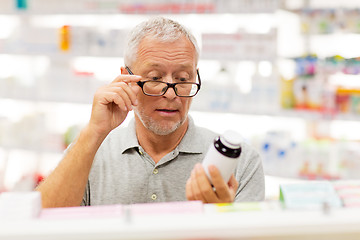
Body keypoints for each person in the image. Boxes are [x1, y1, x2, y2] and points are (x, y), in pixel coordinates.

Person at [36, 17, 265, 208]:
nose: (171, 94)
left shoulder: (241, 161)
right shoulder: (89, 154)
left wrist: (220, 218)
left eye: (183, 79)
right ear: (127, 78)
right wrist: (94, 132)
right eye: (155, 78)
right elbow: (41, 224)